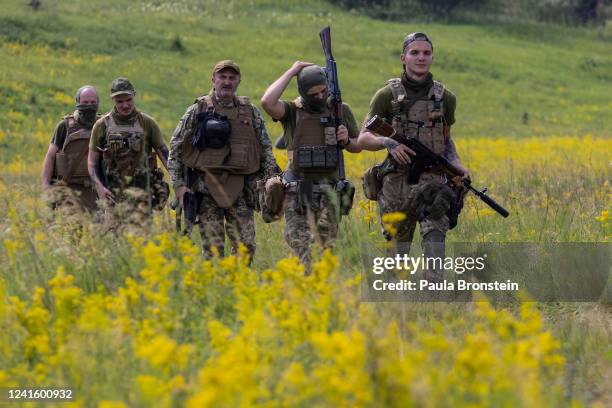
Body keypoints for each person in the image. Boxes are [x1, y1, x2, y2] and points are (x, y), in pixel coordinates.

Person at [357, 32, 469, 281]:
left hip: (433, 182)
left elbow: (446, 139)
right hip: (397, 183)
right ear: (403, 58)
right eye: (415, 53)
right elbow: (363, 138)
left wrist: (457, 165)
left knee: (435, 238)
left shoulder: (445, 98)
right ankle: (397, 304)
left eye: (426, 53)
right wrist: (387, 142)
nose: (421, 58)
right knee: (398, 248)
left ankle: (432, 297)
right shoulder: (386, 95)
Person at [168, 60, 278, 260]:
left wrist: (271, 182)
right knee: (212, 251)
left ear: (238, 81)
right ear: (213, 80)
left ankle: (239, 285)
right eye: (222, 77)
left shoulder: (250, 112)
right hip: (206, 190)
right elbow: (175, 149)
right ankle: (214, 287)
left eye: (232, 78)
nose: (227, 82)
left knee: (246, 249)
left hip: (241, 192)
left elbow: (265, 148)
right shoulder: (197, 111)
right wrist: (178, 186)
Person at [261, 61, 361, 272]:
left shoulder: (340, 110)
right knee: (302, 244)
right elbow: (268, 102)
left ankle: (316, 289)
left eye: (323, 91)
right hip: (299, 189)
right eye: (313, 93)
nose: (319, 97)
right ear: (303, 93)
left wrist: (347, 141)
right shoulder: (291, 111)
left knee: (325, 248)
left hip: (330, 191)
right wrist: (292, 71)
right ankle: (306, 286)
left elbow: (357, 146)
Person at [87, 77, 169, 228]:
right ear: (113, 100)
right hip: (114, 198)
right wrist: (99, 187)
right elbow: (92, 162)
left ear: (134, 95)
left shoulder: (147, 123)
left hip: (142, 197)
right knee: (116, 245)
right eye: (119, 101)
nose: (125, 105)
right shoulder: (102, 126)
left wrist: (180, 185)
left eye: (128, 100)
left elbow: (165, 156)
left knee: (141, 245)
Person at [41, 85, 100, 212]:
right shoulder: (65, 127)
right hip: (69, 192)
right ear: (77, 102)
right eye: (85, 102)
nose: (89, 106)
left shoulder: (103, 126)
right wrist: (46, 187)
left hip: (96, 192)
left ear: (98, 103)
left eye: (92, 102)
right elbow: (50, 157)